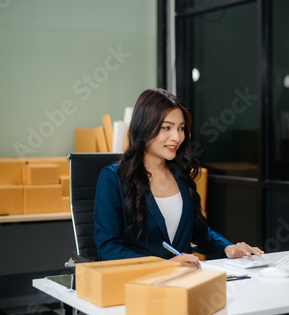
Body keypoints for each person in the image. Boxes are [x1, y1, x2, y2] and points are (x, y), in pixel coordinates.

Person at [94, 88, 264, 267]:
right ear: (144, 127)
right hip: (139, 285)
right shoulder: (112, 178)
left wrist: (227, 248)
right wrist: (165, 266)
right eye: (166, 128)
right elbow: (108, 249)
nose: (177, 137)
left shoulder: (180, 175)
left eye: (181, 128)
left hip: (183, 281)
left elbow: (200, 232)